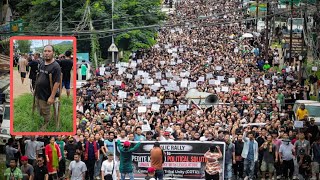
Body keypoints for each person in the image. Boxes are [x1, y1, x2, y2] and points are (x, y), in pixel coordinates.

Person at [34, 45, 61, 130]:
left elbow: (57, 82)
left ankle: (47, 124)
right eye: (45, 51)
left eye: (49, 51)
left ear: (53, 53)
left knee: (45, 110)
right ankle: (43, 121)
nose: (46, 53)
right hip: (39, 92)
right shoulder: (42, 63)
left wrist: (52, 96)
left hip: (47, 94)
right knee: (40, 108)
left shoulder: (56, 66)